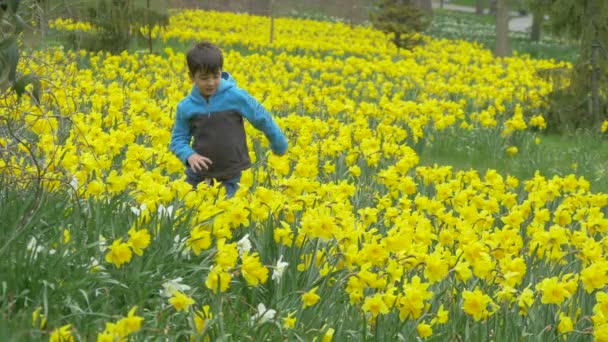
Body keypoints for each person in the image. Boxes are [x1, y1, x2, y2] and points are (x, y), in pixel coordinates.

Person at [170, 41, 288, 197]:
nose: (211, 83)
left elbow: (261, 117)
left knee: (229, 218)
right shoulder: (185, 107)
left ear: (221, 72)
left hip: (232, 177)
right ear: (191, 77)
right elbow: (178, 139)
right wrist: (189, 155)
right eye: (204, 78)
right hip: (198, 175)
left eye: (215, 76)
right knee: (187, 217)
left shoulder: (235, 96)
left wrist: (278, 142)